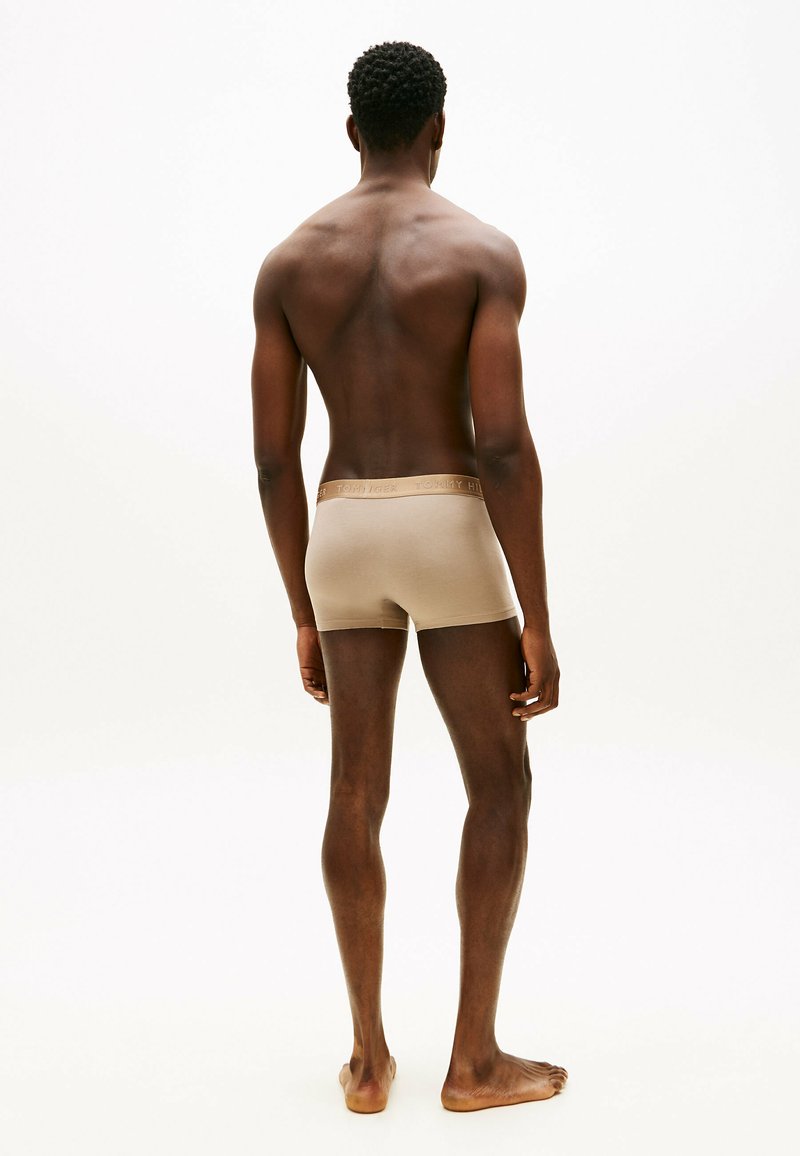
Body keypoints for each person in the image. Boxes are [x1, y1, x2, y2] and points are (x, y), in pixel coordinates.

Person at [251, 40, 565, 1115]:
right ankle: (473, 1063)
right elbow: (504, 444)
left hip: (341, 526)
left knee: (353, 790)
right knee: (500, 784)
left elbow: (271, 458)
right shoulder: (479, 252)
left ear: (352, 131)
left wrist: (303, 610)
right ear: (438, 128)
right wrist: (536, 617)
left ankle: (368, 1059)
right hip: (445, 517)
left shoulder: (289, 265)